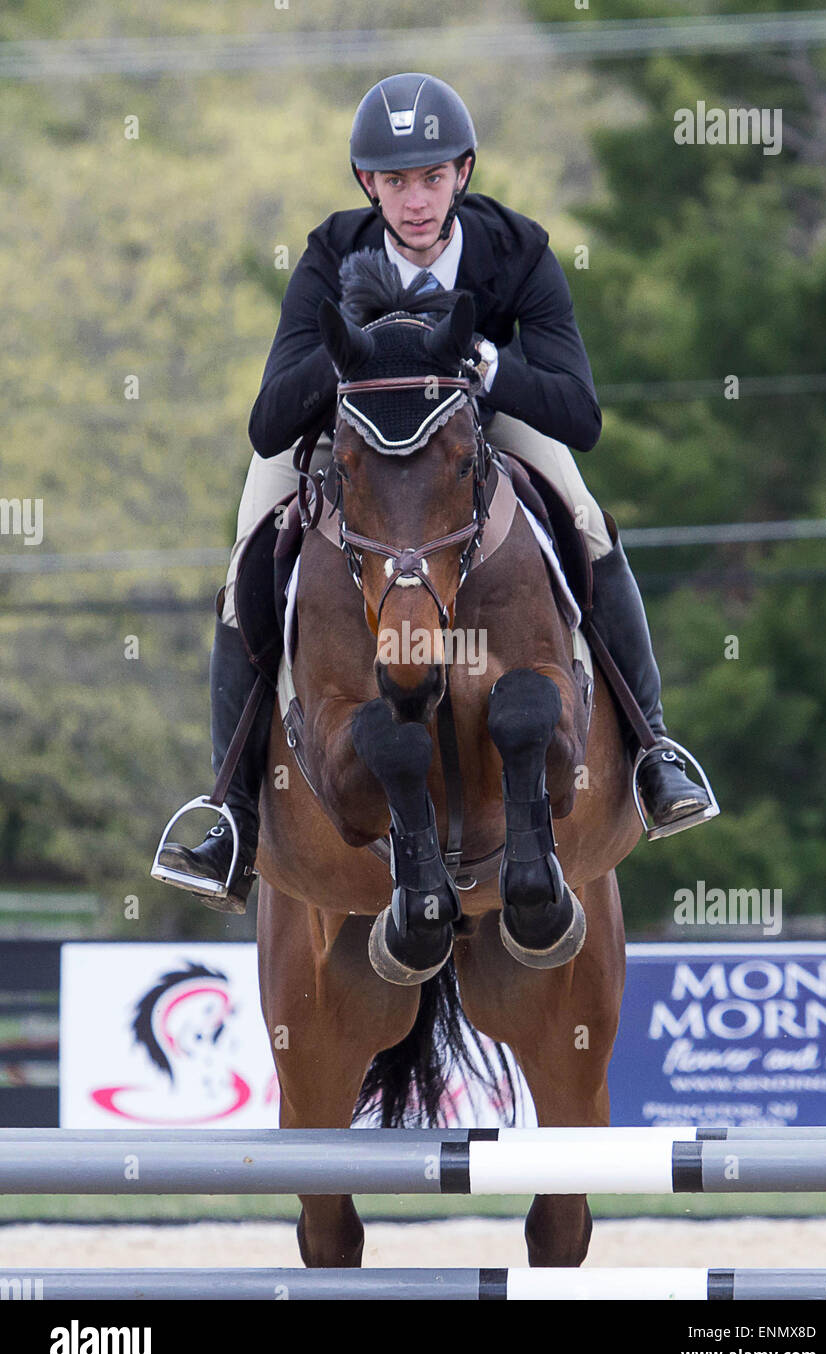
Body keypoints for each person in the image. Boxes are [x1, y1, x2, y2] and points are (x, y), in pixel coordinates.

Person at [154, 72, 718, 913]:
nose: (413, 201)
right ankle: (229, 812)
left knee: (586, 519)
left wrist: (481, 363)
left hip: (472, 426)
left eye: (430, 177)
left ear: (463, 173)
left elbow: (580, 412)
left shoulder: (516, 248)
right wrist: (363, 352)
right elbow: (270, 422)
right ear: (366, 184)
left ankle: (653, 749)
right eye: (393, 181)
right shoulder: (331, 252)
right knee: (248, 554)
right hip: (354, 435)